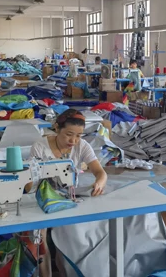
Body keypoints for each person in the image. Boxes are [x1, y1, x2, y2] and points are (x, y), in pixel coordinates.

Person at [30, 109, 107, 277]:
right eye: (69, 134)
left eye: (79, 135)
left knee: (74, 237)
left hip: (69, 199)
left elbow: (100, 172)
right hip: (42, 199)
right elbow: (30, 183)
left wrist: (99, 183)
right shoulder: (40, 147)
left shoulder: (82, 146)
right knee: (39, 238)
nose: (73, 140)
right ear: (57, 128)